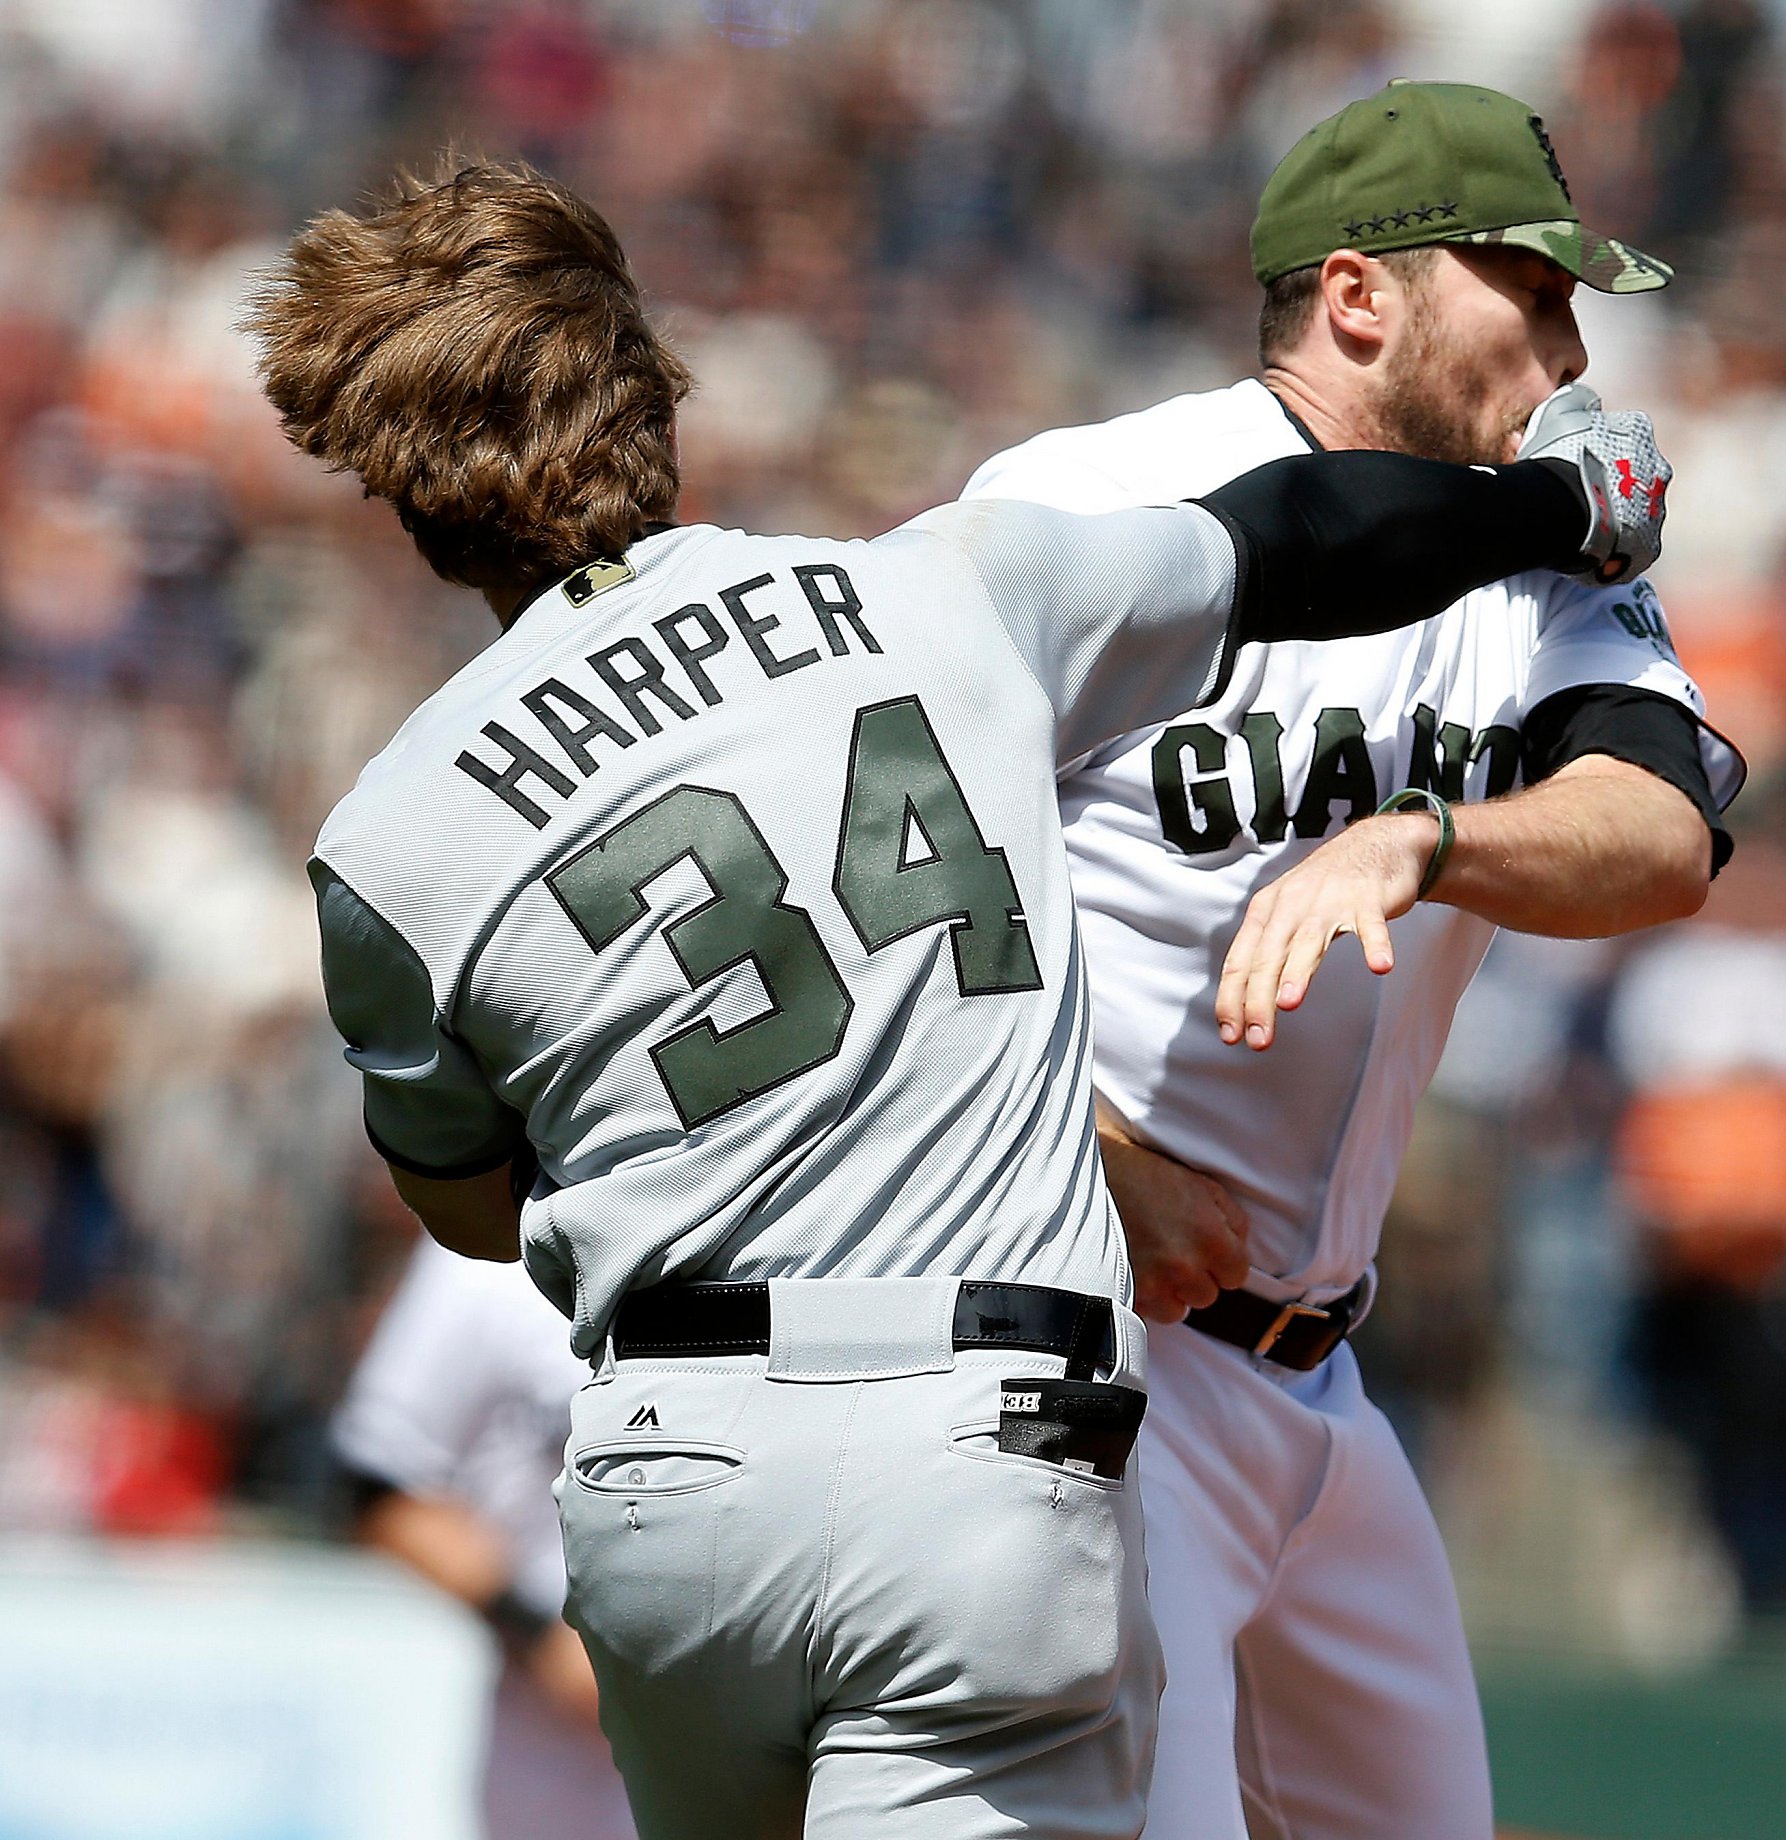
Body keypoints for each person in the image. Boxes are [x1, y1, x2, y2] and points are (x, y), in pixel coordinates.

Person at [249, 156, 1669, 1840]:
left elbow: (480, 1210)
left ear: (405, 505)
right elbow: (1291, 540)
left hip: (664, 1471)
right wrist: (1556, 517)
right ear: (654, 399)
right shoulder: (931, 590)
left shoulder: (390, 839)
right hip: (970, 1433)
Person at [960, 80, 1744, 1840]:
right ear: (1359, 295)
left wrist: (1428, 838)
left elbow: (1662, 827)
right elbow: (889, 903)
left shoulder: (1532, 548)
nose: (1566, 345)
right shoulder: (1087, 504)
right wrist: (1076, 1159)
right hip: (1101, 1349)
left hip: (1325, 1381)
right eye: (1528, 293)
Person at [332, 1236, 637, 1840]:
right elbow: (380, 1483)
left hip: (764, 1728)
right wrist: (542, 1637)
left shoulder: (783, 1221)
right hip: (555, 1756)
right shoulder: (492, 1256)